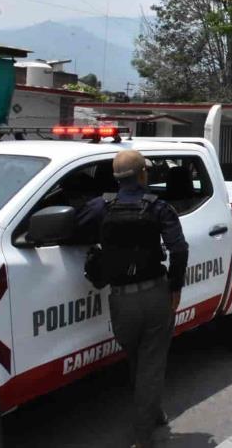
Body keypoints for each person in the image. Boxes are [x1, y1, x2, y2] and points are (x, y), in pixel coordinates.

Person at [77, 150, 189, 447]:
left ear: (116, 179)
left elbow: (76, 225)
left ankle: (150, 412)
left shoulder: (100, 206)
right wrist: (175, 287)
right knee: (150, 364)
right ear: (142, 175)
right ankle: (143, 435)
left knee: (137, 358)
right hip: (154, 296)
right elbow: (179, 249)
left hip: (121, 302)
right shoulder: (159, 207)